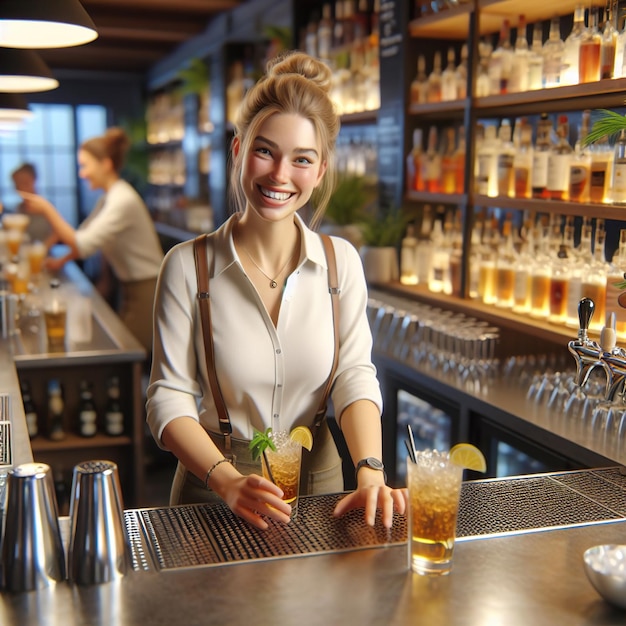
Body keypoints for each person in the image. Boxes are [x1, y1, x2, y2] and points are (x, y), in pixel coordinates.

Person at [146, 51, 406, 531]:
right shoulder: (187, 266)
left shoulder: (341, 262)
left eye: (301, 159)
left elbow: (354, 374)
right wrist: (225, 479)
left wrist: (370, 469)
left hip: (321, 487)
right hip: (213, 495)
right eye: (265, 151)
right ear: (239, 149)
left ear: (321, 170)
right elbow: (168, 398)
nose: (280, 175)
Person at [18, 127, 164, 353]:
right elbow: (83, 236)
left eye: (85, 166)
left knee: (132, 355)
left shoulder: (121, 200)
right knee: (126, 350)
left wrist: (48, 210)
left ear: (105, 164)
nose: (82, 173)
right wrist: (61, 261)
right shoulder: (109, 197)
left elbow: (81, 244)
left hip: (148, 287)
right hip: (131, 285)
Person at [10, 163, 56, 248]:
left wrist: (42, 250)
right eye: (17, 184)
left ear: (34, 180)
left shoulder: (46, 207)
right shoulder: (19, 209)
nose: (20, 187)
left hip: (44, 256)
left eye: (25, 182)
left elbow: (57, 233)